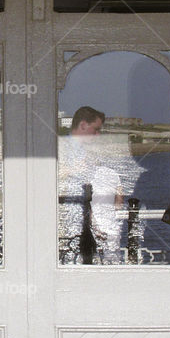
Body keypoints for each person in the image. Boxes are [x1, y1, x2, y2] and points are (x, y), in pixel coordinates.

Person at [59, 106, 126, 264]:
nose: (98, 135)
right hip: (69, 229)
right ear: (83, 125)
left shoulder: (85, 153)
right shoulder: (62, 151)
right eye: (95, 129)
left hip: (88, 228)